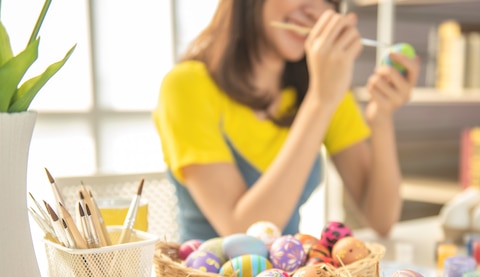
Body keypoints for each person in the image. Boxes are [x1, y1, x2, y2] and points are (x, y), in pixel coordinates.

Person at [153, 0, 420, 242]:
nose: (314, 11)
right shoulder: (185, 86)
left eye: (328, 0)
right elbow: (246, 233)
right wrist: (321, 100)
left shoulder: (324, 87)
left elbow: (381, 220)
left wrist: (381, 118)